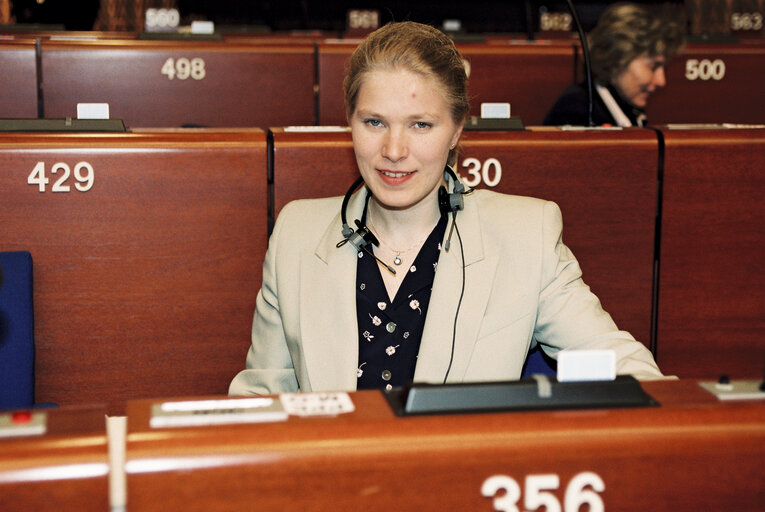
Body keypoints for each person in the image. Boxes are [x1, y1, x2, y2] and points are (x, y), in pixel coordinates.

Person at [229, 20, 663, 396]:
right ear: (350, 123)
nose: (393, 150)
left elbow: (621, 364)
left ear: (457, 129)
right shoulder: (296, 234)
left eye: (421, 125)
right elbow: (261, 400)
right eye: (374, 122)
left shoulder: (526, 236)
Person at [543, 2, 684, 127]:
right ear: (617, 58)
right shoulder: (575, 111)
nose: (661, 81)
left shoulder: (629, 109)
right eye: (653, 67)